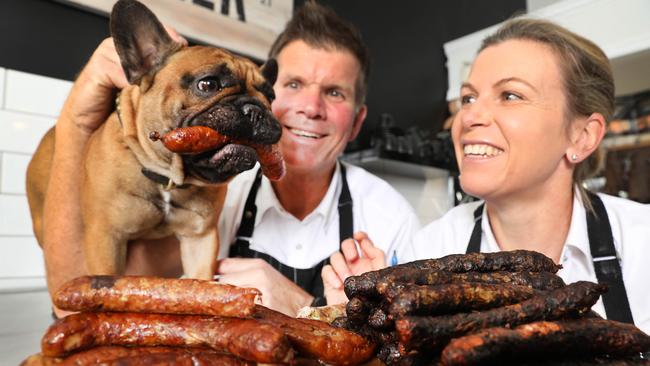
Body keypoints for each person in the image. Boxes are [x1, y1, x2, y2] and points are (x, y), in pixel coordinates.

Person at [41, 1, 419, 317]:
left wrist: (307, 308)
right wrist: (77, 118)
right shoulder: (210, 188)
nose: (311, 107)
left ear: (357, 122)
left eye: (335, 93)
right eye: (292, 85)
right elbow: (83, 304)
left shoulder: (390, 217)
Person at [403, 18, 648, 333]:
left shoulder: (643, 243)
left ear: (582, 136)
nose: (470, 116)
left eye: (510, 96)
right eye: (468, 98)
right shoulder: (429, 249)